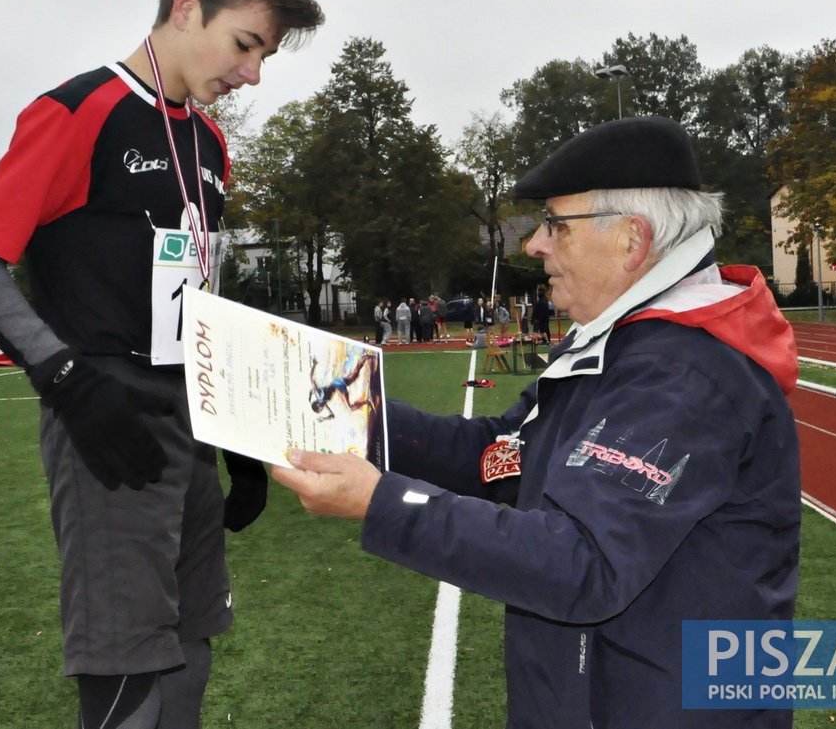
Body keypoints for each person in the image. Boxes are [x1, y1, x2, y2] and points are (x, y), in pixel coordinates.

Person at [273, 116, 800, 728]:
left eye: (555, 225)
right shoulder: (624, 345)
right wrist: (355, 415)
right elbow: (503, 455)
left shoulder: (685, 373)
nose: (534, 245)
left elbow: (586, 562)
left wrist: (384, 504)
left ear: (632, 239)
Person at [0, 0, 322, 729]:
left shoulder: (210, 141)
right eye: (245, 44)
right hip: (104, 427)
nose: (253, 73)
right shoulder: (81, 111)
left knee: (193, 636)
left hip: (187, 428)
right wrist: (69, 381)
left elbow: (196, 301)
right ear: (188, 6)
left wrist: (238, 439)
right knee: (125, 663)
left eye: (265, 57)